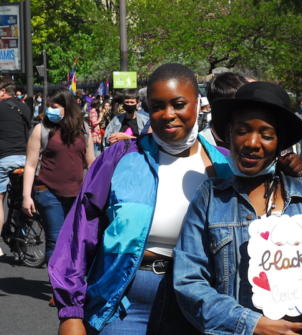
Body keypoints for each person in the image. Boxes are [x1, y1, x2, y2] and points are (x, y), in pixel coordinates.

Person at [47, 63, 239, 335]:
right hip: (124, 307)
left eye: (179, 104)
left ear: (198, 104)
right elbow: (80, 233)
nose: (168, 114)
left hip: (201, 309)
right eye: (158, 105)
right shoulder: (120, 158)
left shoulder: (225, 166)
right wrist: (71, 313)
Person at [173, 81, 302, 335]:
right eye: (242, 131)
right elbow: (189, 282)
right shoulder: (210, 198)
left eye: (266, 135)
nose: (252, 143)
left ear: (280, 143)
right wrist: (251, 324)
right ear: (229, 134)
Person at [22, 88, 95, 263]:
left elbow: (91, 162)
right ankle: (58, 286)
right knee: (55, 241)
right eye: (48, 106)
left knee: (75, 240)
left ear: (67, 107)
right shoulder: (41, 129)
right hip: (48, 193)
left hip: (77, 195)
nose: (49, 110)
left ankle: (68, 280)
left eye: (54, 106)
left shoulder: (83, 129)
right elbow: (30, 165)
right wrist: (26, 196)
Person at [0, 77, 32, 257]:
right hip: (24, 159)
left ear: (3, 91)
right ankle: (23, 234)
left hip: (4, 158)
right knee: (22, 198)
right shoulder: (24, 107)